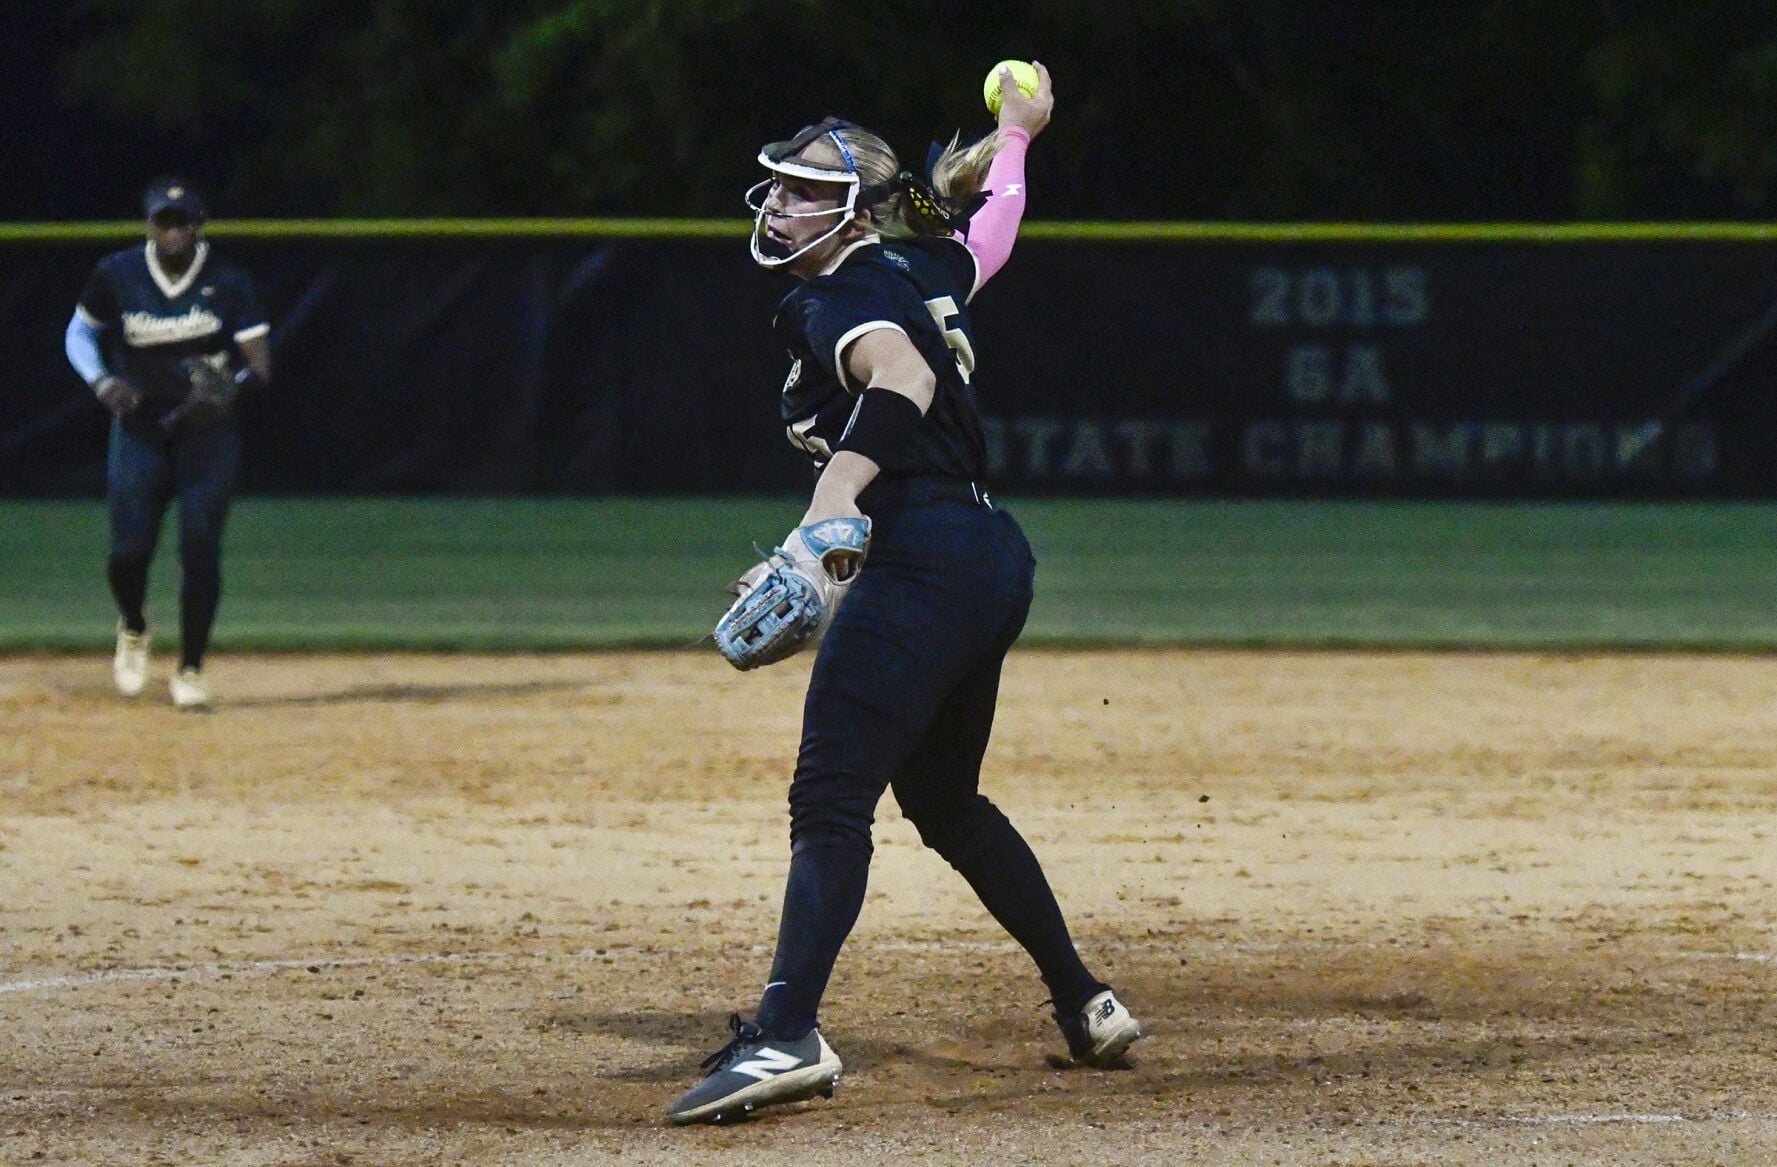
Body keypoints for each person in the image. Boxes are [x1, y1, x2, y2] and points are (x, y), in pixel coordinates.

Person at [667, 63, 1142, 1126]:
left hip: (923, 550)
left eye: (800, 190)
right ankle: (1085, 999)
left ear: (853, 213)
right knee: (941, 801)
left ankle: (787, 1035)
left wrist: (821, 521)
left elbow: (901, 384)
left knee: (829, 797)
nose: (778, 204)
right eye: (779, 186)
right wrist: (1014, 138)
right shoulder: (924, 266)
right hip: (986, 556)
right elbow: (992, 236)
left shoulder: (830, 296)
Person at [64, 177, 272, 708]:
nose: (172, 232)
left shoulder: (228, 279)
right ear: (149, 225)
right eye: (163, 221)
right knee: (129, 553)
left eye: (182, 222)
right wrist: (101, 380)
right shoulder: (118, 273)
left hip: (207, 435)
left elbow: (259, 365)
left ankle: (191, 667)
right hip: (140, 429)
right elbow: (78, 333)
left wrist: (227, 393)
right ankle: (134, 625)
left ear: (199, 226)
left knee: (200, 546)